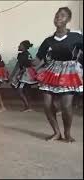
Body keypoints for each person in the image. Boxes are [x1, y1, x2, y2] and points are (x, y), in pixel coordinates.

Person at [34, 7, 83, 142]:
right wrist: (31, 63)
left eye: (62, 15)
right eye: (57, 15)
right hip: (52, 71)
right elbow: (39, 58)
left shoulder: (76, 37)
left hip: (69, 71)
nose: (58, 17)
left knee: (66, 106)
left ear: (68, 20)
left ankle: (67, 133)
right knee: (47, 104)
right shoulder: (48, 40)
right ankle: (56, 132)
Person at [10, 40, 37, 112]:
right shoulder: (28, 54)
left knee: (19, 90)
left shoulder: (22, 55)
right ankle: (28, 106)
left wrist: (14, 75)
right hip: (29, 73)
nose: (18, 46)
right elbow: (30, 63)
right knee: (26, 90)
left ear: (24, 47)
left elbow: (18, 66)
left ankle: (27, 106)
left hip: (25, 74)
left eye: (20, 45)